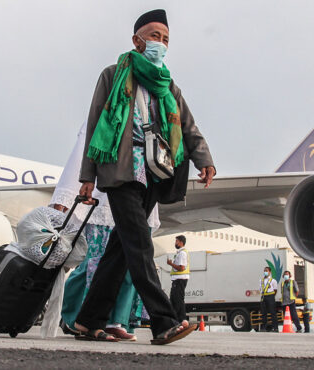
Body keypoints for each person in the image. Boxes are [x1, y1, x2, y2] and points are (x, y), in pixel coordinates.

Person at [74, 9, 216, 344]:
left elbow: (188, 127)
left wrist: (204, 159)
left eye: (165, 39)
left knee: (120, 252)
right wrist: (88, 176)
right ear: (137, 39)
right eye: (154, 36)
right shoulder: (113, 75)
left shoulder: (168, 85)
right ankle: (164, 321)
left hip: (155, 173)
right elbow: (96, 123)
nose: (160, 43)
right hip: (120, 170)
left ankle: (87, 320)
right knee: (139, 245)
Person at [51, 122, 160, 341]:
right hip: (104, 199)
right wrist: (65, 194)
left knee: (129, 264)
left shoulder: (150, 112)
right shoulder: (105, 112)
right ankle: (79, 317)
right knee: (97, 261)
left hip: (138, 197)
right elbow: (83, 152)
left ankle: (116, 320)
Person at [167, 235, 189, 322]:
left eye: (176, 241)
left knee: (177, 300)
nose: (175, 243)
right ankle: (178, 320)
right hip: (178, 280)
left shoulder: (182, 253)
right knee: (174, 299)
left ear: (181, 242)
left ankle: (181, 320)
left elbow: (181, 268)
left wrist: (170, 264)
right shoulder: (179, 253)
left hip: (180, 280)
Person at [259, 266, 278, 332]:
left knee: (273, 313)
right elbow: (260, 289)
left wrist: (272, 296)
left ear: (270, 272)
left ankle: (275, 328)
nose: (265, 272)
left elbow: (275, 290)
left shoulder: (273, 280)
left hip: (270, 296)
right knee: (263, 313)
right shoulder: (261, 280)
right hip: (263, 297)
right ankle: (264, 327)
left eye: (266, 270)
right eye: (264, 270)